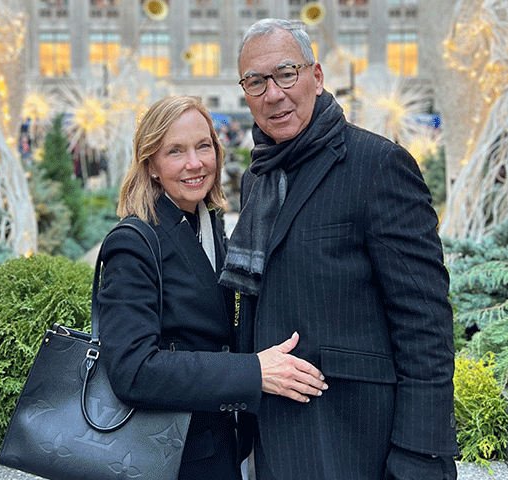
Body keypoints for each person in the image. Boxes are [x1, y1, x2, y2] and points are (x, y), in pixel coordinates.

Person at [220, 19, 459, 480]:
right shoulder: (257, 179)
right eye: (256, 82)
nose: (273, 94)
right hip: (273, 436)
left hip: (354, 439)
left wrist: (419, 455)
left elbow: (424, 323)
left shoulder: (378, 166)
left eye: (286, 74)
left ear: (317, 76)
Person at [97, 95, 328, 480]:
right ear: (151, 165)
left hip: (221, 448)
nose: (194, 163)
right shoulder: (134, 242)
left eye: (203, 146)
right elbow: (133, 371)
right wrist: (252, 372)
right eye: (175, 151)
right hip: (169, 459)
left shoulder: (209, 224)